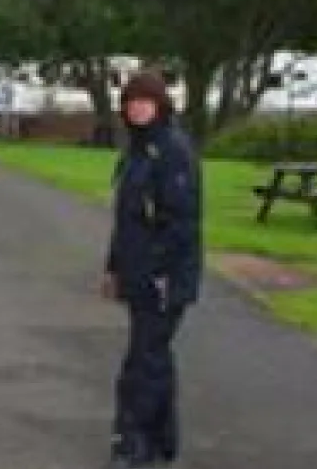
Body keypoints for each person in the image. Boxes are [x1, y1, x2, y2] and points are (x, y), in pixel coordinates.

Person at [100, 71, 204, 468]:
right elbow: (126, 218)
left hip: (164, 277)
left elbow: (182, 222)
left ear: (160, 105)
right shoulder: (136, 152)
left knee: (143, 362)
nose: (137, 109)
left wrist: (162, 272)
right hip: (137, 272)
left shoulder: (172, 151)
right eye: (131, 102)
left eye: (145, 102)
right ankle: (162, 439)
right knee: (153, 356)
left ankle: (135, 444)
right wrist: (113, 267)